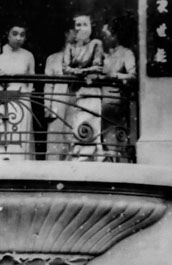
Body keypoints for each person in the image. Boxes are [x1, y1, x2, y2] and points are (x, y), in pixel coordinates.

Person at [0, 24, 36, 159]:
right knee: (2, 129)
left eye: (22, 35)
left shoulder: (28, 55)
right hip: (2, 96)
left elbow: (32, 78)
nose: (18, 38)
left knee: (20, 131)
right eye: (14, 34)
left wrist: (27, 95)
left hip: (22, 96)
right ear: (8, 35)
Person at [62, 14, 105, 160]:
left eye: (85, 24)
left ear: (91, 27)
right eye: (78, 25)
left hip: (91, 90)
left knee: (89, 122)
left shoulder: (96, 44)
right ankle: (78, 153)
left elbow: (97, 67)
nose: (81, 28)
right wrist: (84, 72)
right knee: (76, 123)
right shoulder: (70, 47)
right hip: (76, 91)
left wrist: (78, 71)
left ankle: (87, 155)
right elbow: (65, 68)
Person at [98, 20, 136, 159]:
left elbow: (132, 75)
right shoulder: (104, 54)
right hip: (102, 99)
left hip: (117, 99)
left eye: (106, 35)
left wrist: (114, 75)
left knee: (117, 135)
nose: (104, 39)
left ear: (114, 36)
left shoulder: (126, 53)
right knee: (103, 135)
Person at [43, 27, 75, 160]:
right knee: (56, 134)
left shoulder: (83, 56)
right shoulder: (53, 58)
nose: (73, 34)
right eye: (70, 30)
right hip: (58, 96)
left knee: (73, 132)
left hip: (75, 97)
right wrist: (47, 106)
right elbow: (48, 85)